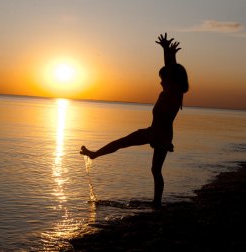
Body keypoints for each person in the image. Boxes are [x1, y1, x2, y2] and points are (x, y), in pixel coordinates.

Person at [80, 33, 189, 209]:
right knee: (123, 144)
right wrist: (167, 51)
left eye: (163, 79)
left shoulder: (174, 93)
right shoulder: (169, 90)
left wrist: (170, 55)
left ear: (172, 81)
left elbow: (172, 70)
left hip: (160, 135)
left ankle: (157, 203)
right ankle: (94, 154)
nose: (160, 81)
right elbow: (170, 69)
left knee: (155, 169)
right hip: (154, 131)